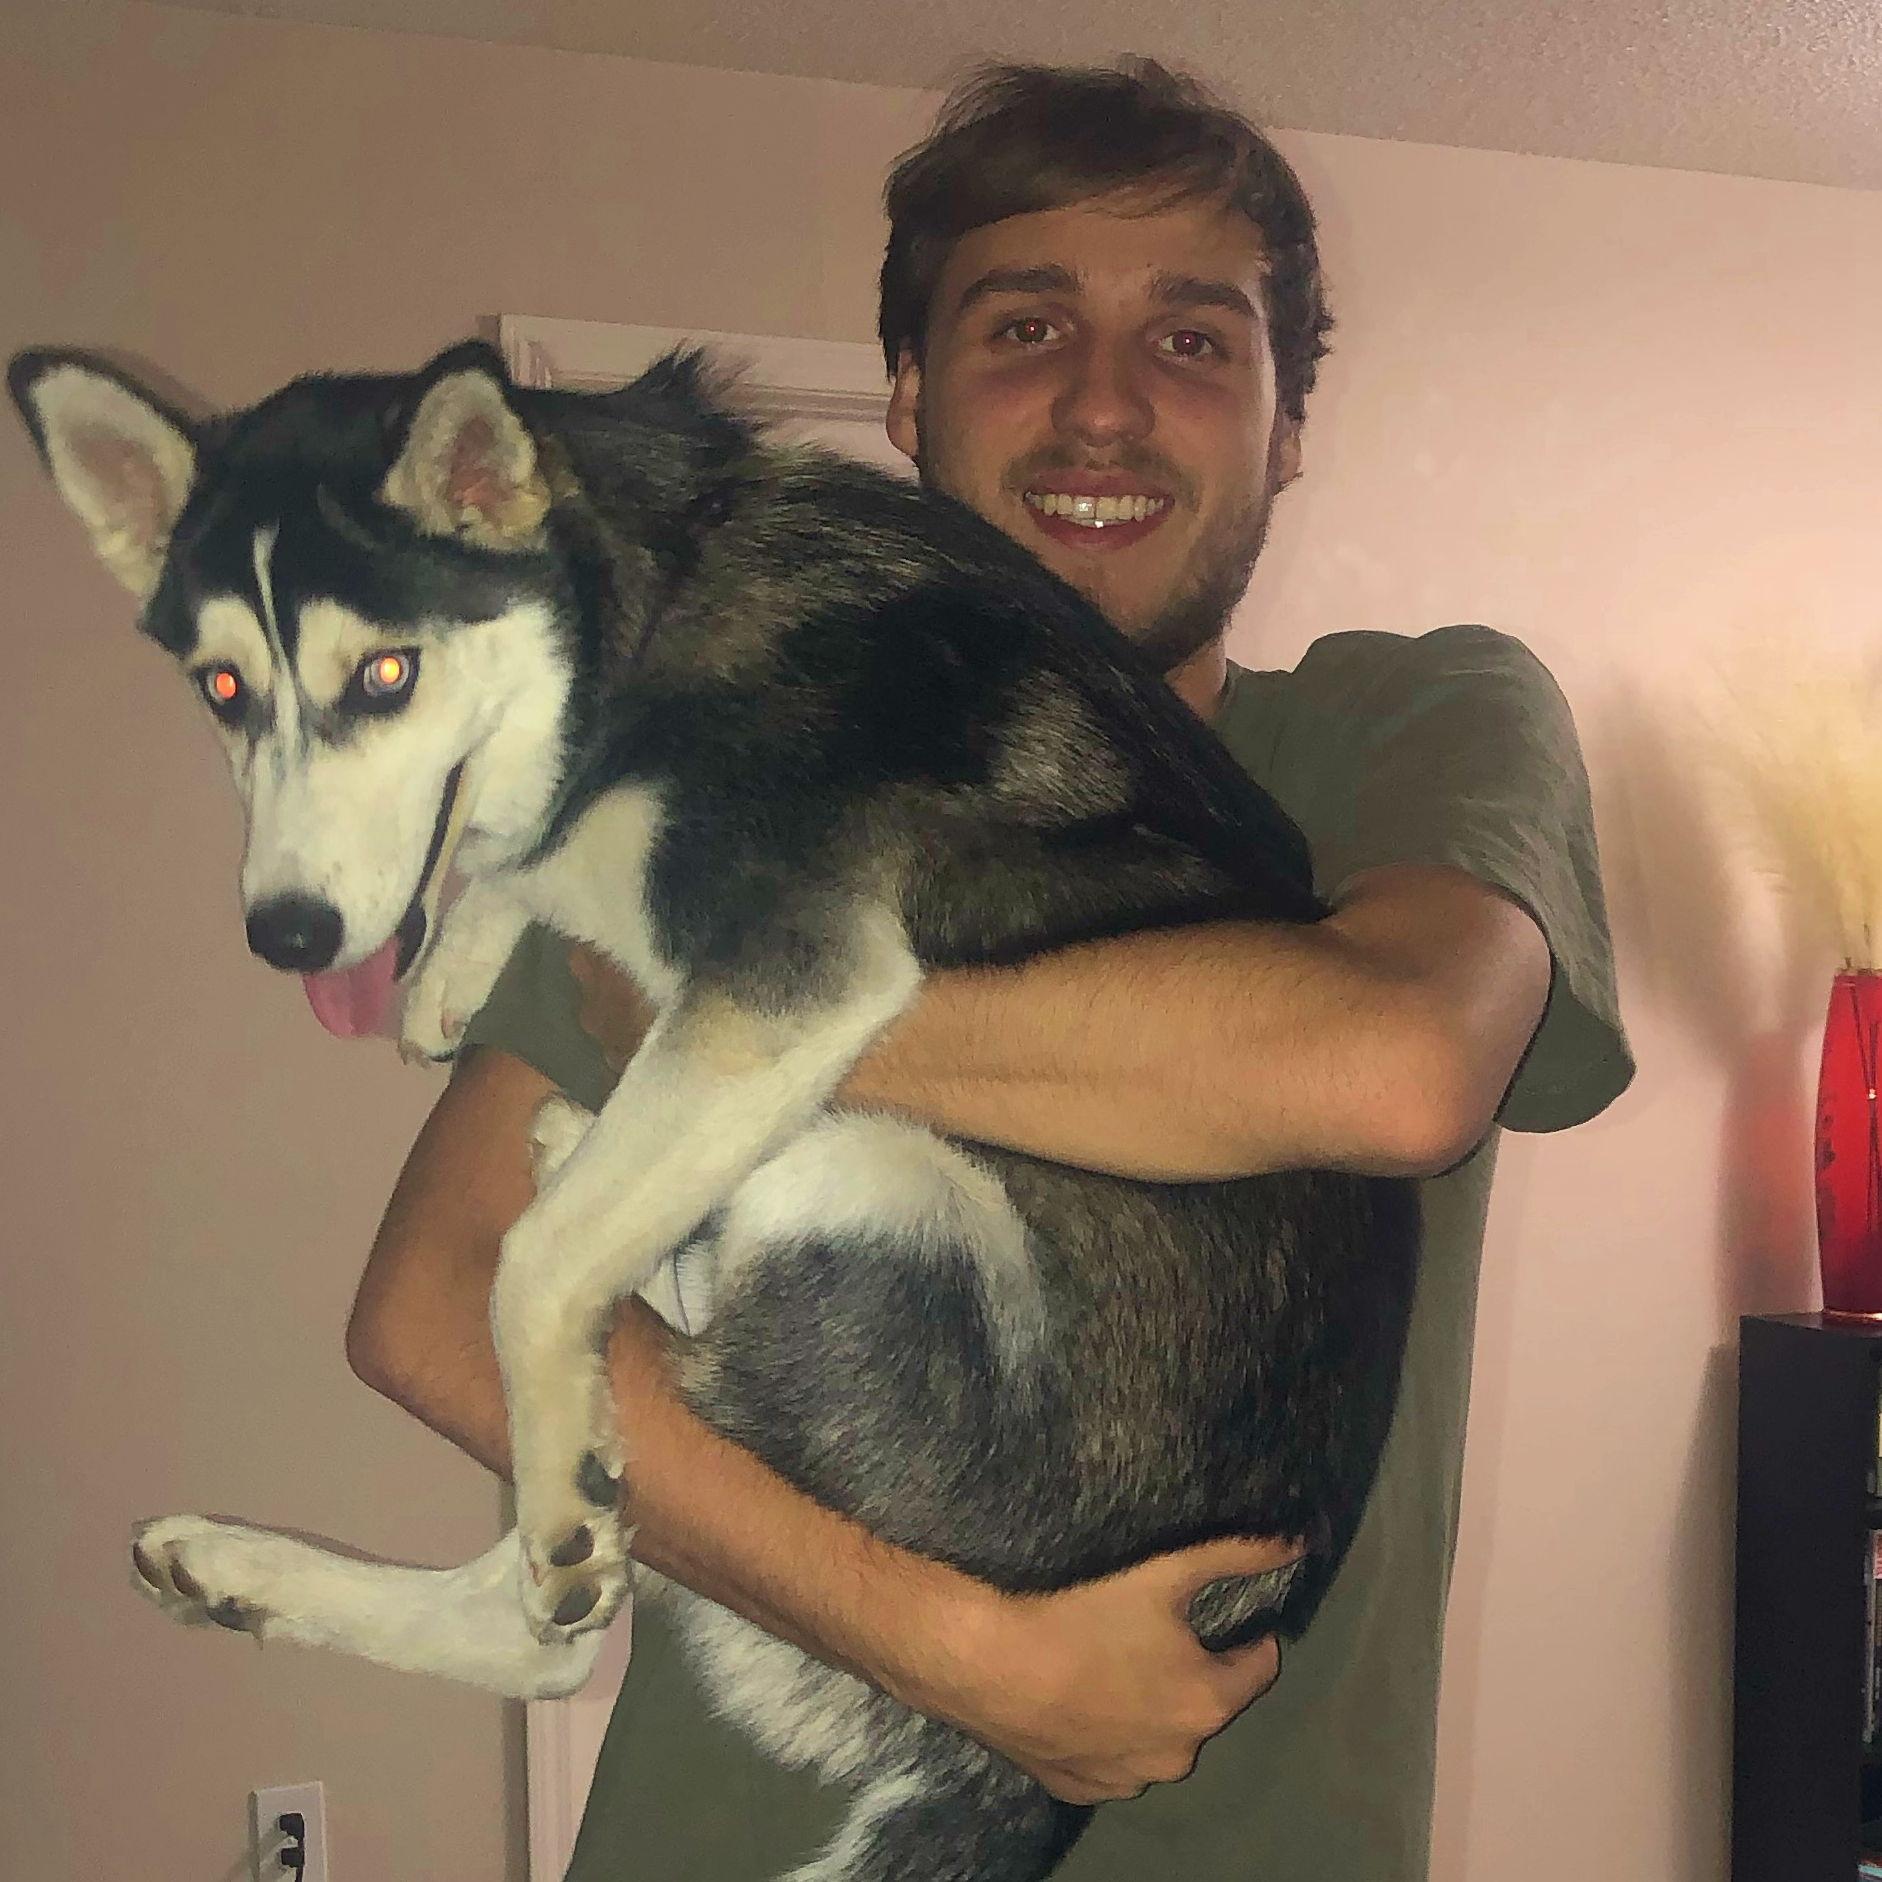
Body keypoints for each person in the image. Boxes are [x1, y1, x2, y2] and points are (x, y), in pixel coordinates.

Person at [346, 61, 1632, 1881]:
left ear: (1285, 425)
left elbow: (1394, 1065)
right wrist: (959, 1652)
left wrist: (746, 1008)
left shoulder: (1407, 725)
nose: (1103, 403)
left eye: (1192, 341)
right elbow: (429, 1299)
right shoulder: (732, 772)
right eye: (1025, 327)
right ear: (906, 401)